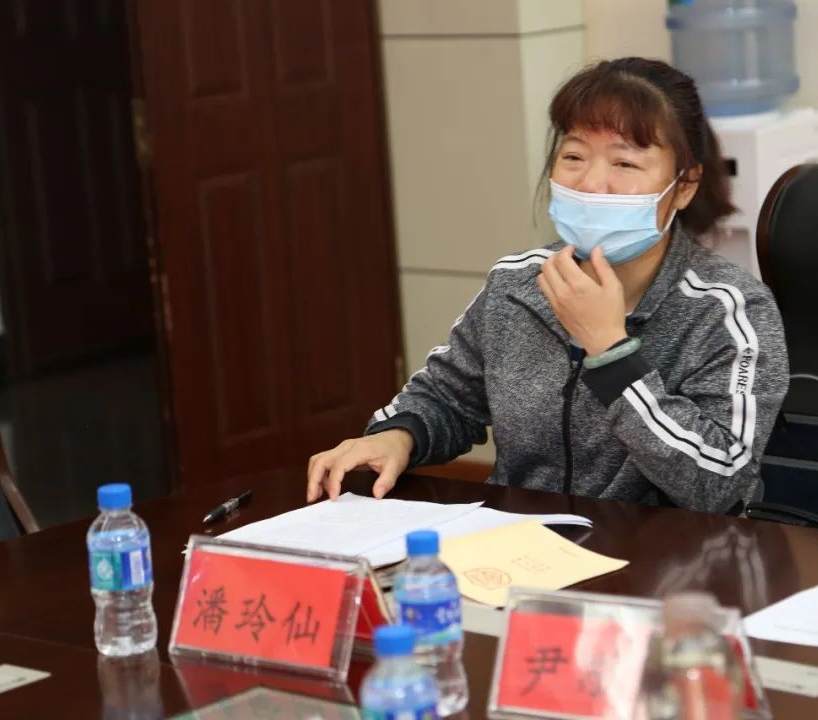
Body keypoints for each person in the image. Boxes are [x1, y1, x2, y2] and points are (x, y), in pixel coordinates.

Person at [308, 58, 789, 513]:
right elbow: (446, 396)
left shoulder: (729, 310)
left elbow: (719, 483)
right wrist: (399, 436)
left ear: (684, 186)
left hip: (666, 557)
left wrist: (611, 354)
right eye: (574, 156)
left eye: (624, 164)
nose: (591, 183)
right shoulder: (518, 284)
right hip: (523, 544)